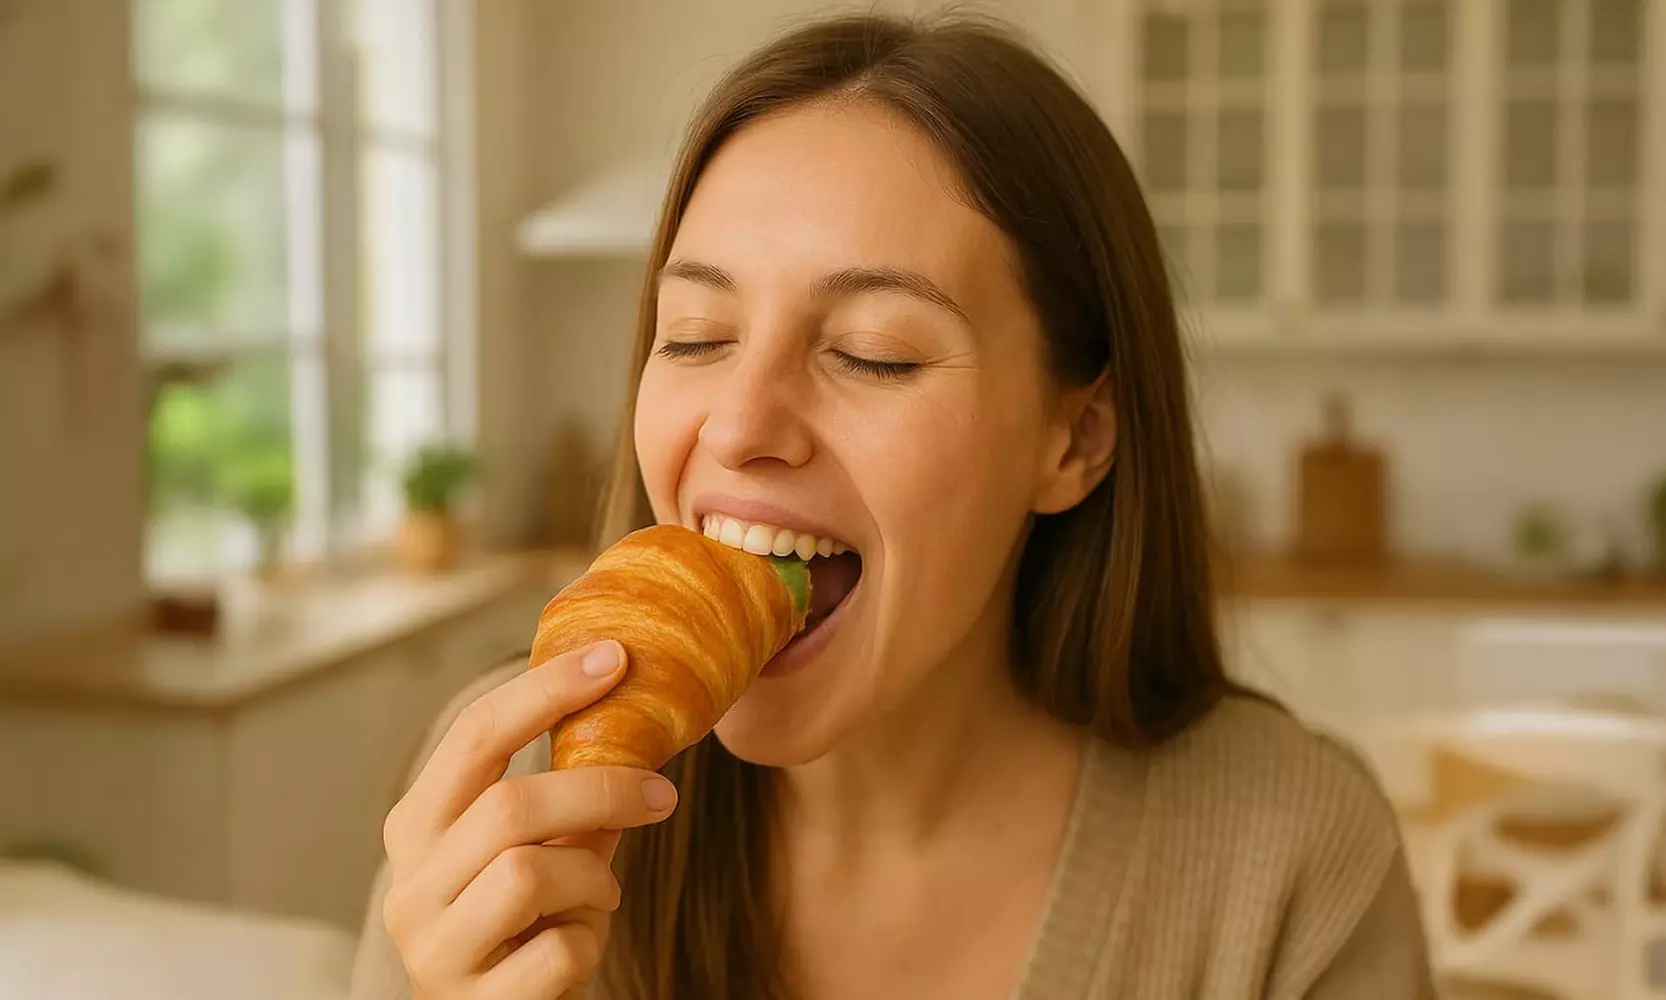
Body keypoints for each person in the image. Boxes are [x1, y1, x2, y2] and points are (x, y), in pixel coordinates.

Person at [352, 12, 1434, 1000]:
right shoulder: (509, 802)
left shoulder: (1287, 859)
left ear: (1075, 439)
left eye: (871, 353)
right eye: (693, 335)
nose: (737, 424)